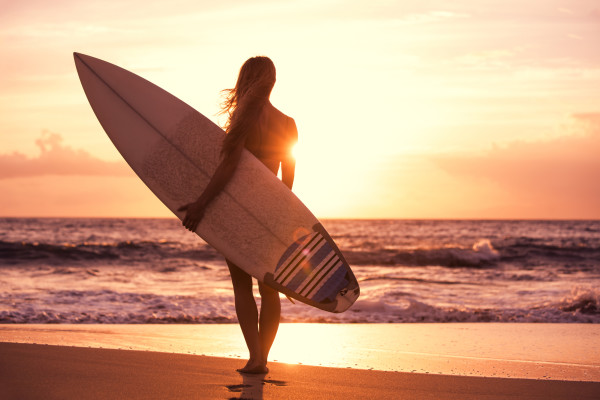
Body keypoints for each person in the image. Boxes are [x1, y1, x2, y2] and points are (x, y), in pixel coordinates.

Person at [178, 56, 298, 374]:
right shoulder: (288, 124)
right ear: (271, 81)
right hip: (271, 212)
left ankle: (255, 357)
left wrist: (202, 203)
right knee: (269, 287)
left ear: (246, 80)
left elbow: (228, 167)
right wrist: (283, 222)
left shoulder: (243, 118)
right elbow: (288, 185)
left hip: (237, 210)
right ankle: (264, 359)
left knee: (242, 286)